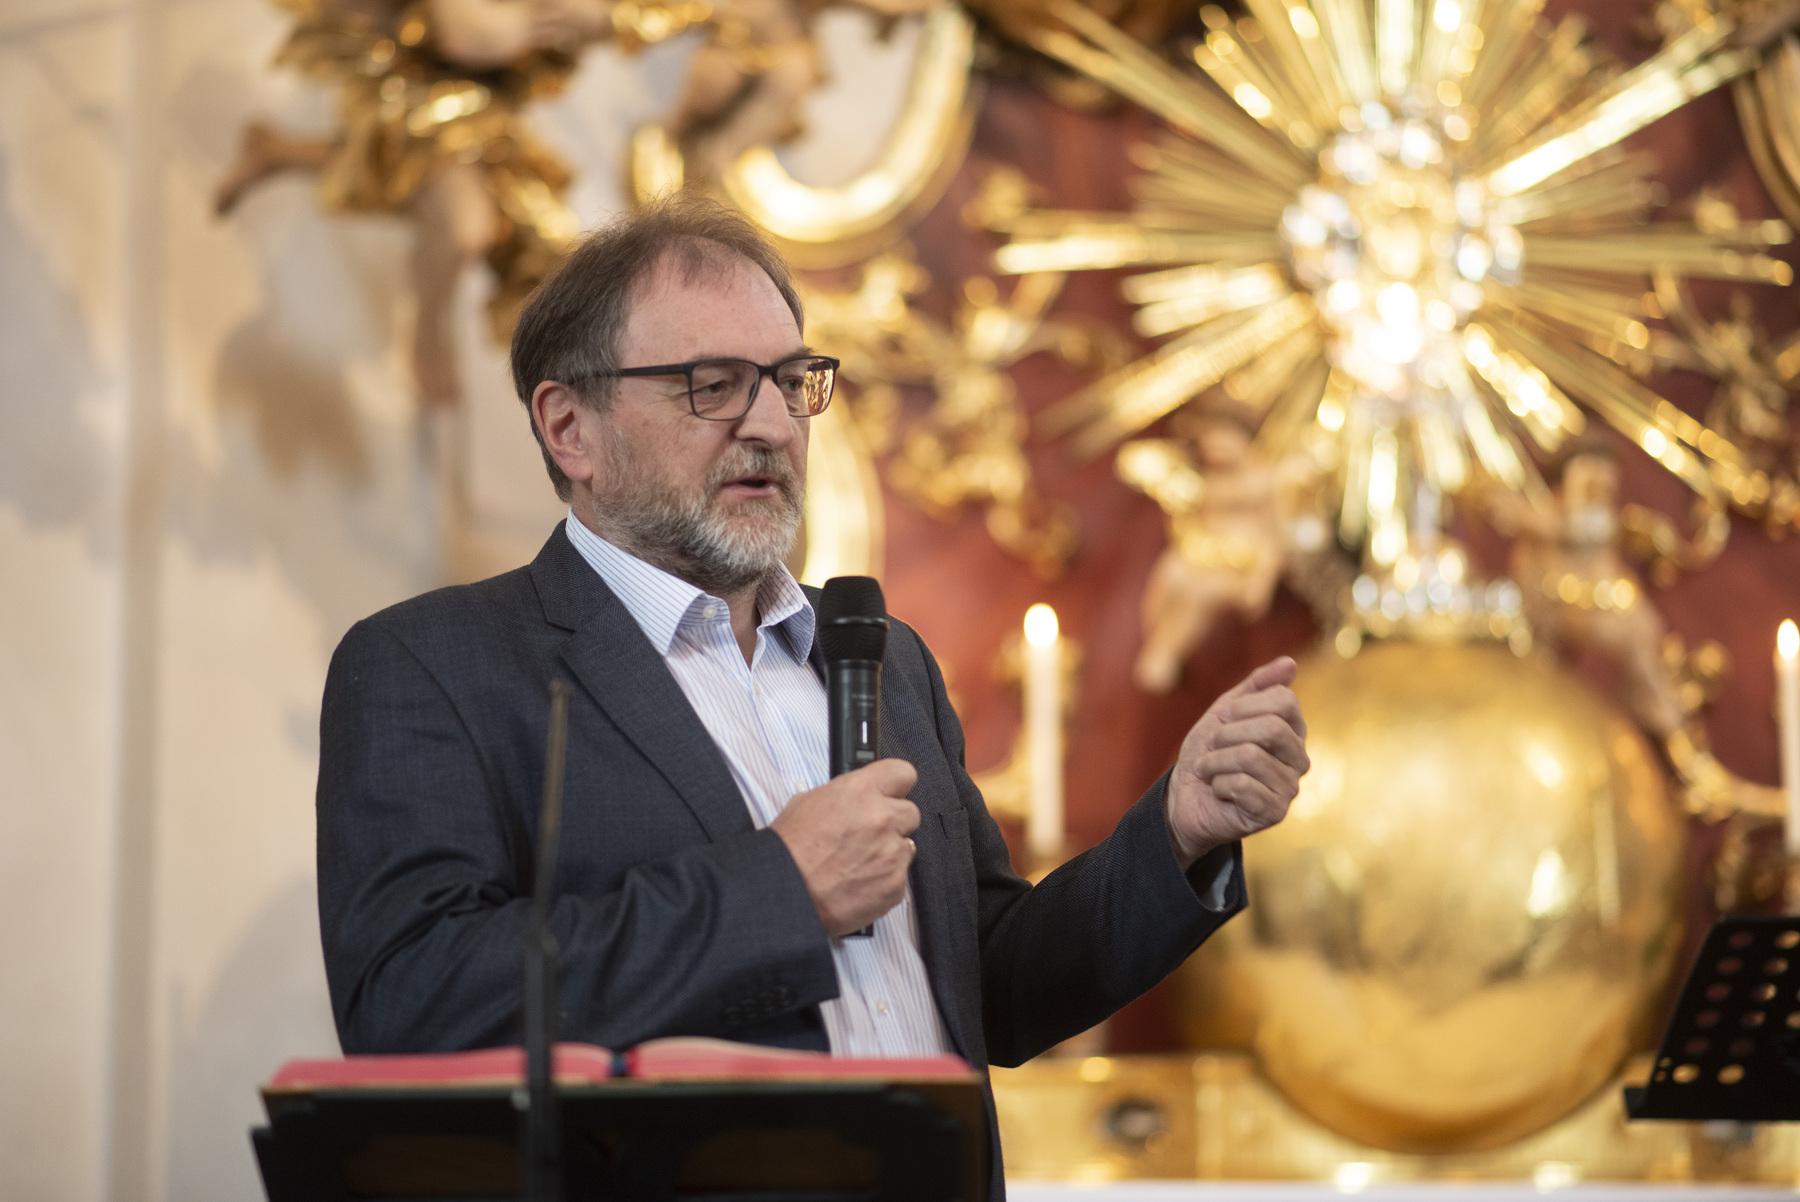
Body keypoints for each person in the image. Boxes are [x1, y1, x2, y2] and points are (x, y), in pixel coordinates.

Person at [315, 195, 1309, 1197]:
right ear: (570, 426)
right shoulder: (438, 667)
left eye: (790, 382)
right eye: (712, 385)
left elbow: (996, 983)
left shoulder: (879, 655)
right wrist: (780, 889)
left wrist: (1173, 833)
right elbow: (413, 1002)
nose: (768, 424)